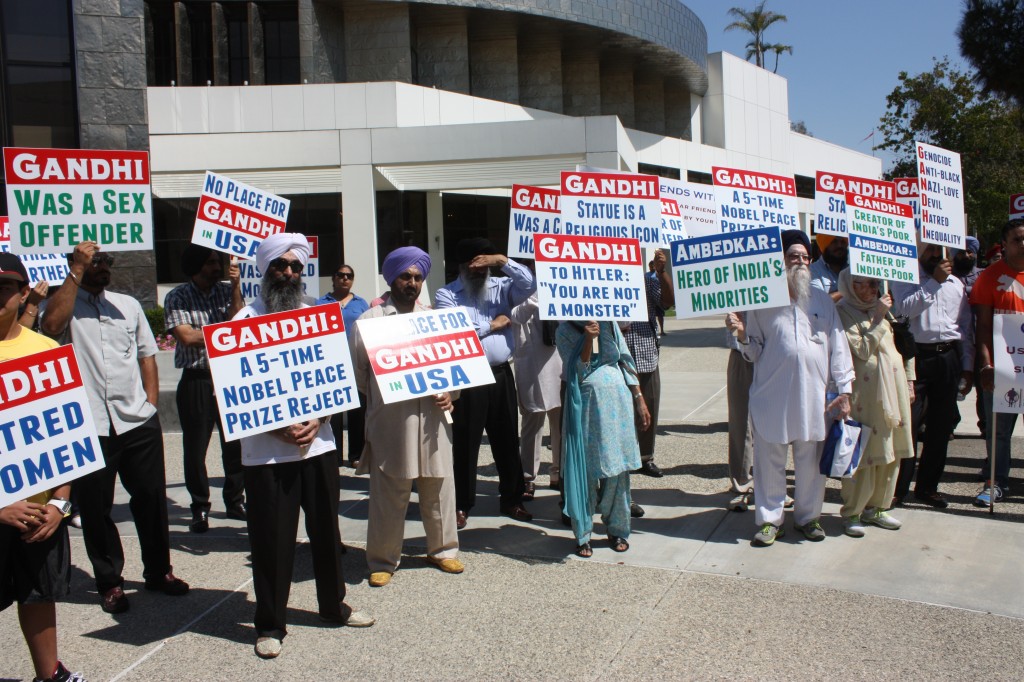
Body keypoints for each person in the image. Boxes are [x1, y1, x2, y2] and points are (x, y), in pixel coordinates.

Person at [234, 233, 374, 658]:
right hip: (266, 452)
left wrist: (321, 419)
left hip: (318, 444)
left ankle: (333, 606)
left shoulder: (319, 315)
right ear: (266, 270)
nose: (289, 273)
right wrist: (277, 429)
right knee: (272, 538)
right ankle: (270, 624)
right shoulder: (244, 321)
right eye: (281, 266)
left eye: (296, 267)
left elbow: (338, 380)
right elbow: (236, 392)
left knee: (326, 532)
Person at [40, 241, 188, 614]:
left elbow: (146, 357)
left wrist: (150, 407)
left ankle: (159, 572)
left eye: (107, 261)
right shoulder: (63, 307)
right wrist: (76, 270)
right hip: (90, 424)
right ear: (78, 263)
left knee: (151, 501)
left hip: (136, 421)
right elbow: (51, 327)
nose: (103, 267)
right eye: (95, 261)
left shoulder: (128, 305)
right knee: (95, 508)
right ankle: (110, 581)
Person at [726, 229, 853, 546]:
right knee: (770, 460)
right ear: (781, 261)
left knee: (811, 462)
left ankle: (809, 518)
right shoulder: (762, 301)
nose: (800, 262)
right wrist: (741, 333)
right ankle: (770, 520)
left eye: (805, 257)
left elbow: (838, 347)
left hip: (814, 398)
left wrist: (845, 391)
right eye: (793, 256)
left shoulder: (823, 301)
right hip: (772, 396)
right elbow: (752, 351)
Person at [353, 247, 463, 587]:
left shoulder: (434, 318)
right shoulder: (370, 322)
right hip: (392, 421)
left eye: (417, 277)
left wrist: (450, 393)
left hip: (433, 419)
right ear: (392, 278)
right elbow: (360, 374)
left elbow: (454, 370)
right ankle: (383, 559)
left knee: (439, 485)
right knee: (390, 490)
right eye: (406, 276)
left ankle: (443, 549)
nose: (412, 282)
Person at [0, 254, 85, 682]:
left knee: (39, 595)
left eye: (3, 288)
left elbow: (65, 438)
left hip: (39, 511)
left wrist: (60, 504)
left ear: (22, 294)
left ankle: (49, 673)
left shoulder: (46, 350)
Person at [435, 238, 536, 528]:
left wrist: (501, 261)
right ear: (462, 266)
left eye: (484, 263)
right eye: (474, 264)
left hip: (500, 374)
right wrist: (492, 325)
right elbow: (455, 333)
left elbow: (529, 285)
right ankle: (461, 504)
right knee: (465, 443)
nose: (479, 270)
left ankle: (512, 499)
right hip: (467, 376)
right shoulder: (448, 294)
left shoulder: (502, 287)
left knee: (506, 438)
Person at [164, 245, 246, 534]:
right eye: (211, 262)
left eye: (218, 262)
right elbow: (187, 337)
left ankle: (235, 500)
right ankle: (200, 505)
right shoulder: (178, 296)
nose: (217, 267)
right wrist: (226, 335)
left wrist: (236, 286)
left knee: (235, 444)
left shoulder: (226, 291)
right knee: (196, 448)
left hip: (228, 376)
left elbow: (239, 320)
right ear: (197, 266)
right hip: (197, 379)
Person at [891, 241, 974, 509]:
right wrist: (933, 284)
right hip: (916, 356)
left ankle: (928, 487)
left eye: (940, 250)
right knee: (909, 425)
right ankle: (898, 488)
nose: (936, 255)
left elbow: (964, 328)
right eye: (930, 250)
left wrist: (967, 366)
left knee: (941, 426)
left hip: (948, 357)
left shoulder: (957, 284)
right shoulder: (905, 277)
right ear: (919, 251)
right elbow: (903, 311)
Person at [557, 320, 650, 557]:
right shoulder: (564, 331)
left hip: (617, 404)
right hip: (586, 405)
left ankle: (618, 528)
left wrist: (638, 397)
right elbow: (577, 369)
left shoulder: (609, 323)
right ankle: (583, 533)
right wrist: (588, 339)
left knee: (617, 471)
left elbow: (625, 360)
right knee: (585, 471)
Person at [835, 270, 914, 537]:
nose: (872, 288)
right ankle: (853, 511)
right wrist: (879, 318)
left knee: (890, 449)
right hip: (864, 395)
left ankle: (878, 507)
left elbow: (901, 347)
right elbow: (861, 349)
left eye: (874, 283)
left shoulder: (883, 309)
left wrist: (910, 380)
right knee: (863, 452)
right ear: (850, 285)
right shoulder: (844, 311)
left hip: (893, 391)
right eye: (865, 283)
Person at [972, 219, 1024, 506]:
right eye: (1017, 239)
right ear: (1005, 243)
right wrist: (986, 366)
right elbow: (981, 327)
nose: (1023, 243)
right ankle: (997, 483)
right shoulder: (989, 277)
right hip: (1003, 370)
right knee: (999, 433)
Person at [621, 248, 673, 478]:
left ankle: (645, 457)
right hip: (615, 355)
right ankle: (622, 456)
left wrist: (661, 272)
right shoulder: (602, 283)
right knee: (620, 408)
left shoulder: (647, 280)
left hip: (645, 353)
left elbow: (668, 302)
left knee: (649, 403)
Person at [316, 264, 370, 467]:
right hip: (331, 364)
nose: (345, 279)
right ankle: (334, 455)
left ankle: (356, 455)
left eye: (349, 276)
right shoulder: (321, 303)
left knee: (358, 413)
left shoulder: (361, 303)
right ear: (334, 278)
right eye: (341, 275)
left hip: (355, 364)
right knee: (334, 414)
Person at [511, 292, 563, 494]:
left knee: (560, 426)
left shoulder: (561, 287)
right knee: (532, 425)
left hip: (560, 363)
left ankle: (558, 474)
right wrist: (536, 295)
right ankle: (528, 476)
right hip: (532, 367)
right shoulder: (521, 288)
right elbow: (516, 315)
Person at [724, 313, 754, 510]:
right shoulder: (734, 286)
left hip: (773, 354)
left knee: (775, 424)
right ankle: (742, 483)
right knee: (741, 422)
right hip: (740, 354)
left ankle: (773, 485)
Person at [809, 234, 849, 301]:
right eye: (834, 242)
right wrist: (849, 291)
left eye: (843, 242)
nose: (839, 245)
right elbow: (819, 301)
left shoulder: (853, 270)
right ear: (824, 246)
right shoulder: (812, 270)